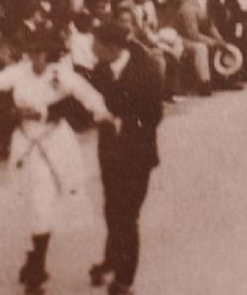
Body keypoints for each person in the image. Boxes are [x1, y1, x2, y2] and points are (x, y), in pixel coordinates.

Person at [0, 31, 116, 294]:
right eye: (31, 53)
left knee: (64, 202)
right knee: (38, 203)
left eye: (40, 53)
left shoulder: (61, 74)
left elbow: (87, 95)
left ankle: (49, 262)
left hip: (57, 142)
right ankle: (36, 268)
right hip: (27, 144)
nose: (35, 58)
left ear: (50, 54)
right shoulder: (19, 73)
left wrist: (106, 115)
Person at [87, 23, 164, 295]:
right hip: (110, 153)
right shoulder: (100, 70)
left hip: (137, 155)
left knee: (127, 215)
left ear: (111, 47)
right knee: (112, 209)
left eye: (95, 45)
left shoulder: (146, 70)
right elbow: (86, 104)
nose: (91, 50)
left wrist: (120, 117)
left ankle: (124, 280)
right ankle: (111, 259)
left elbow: (154, 116)